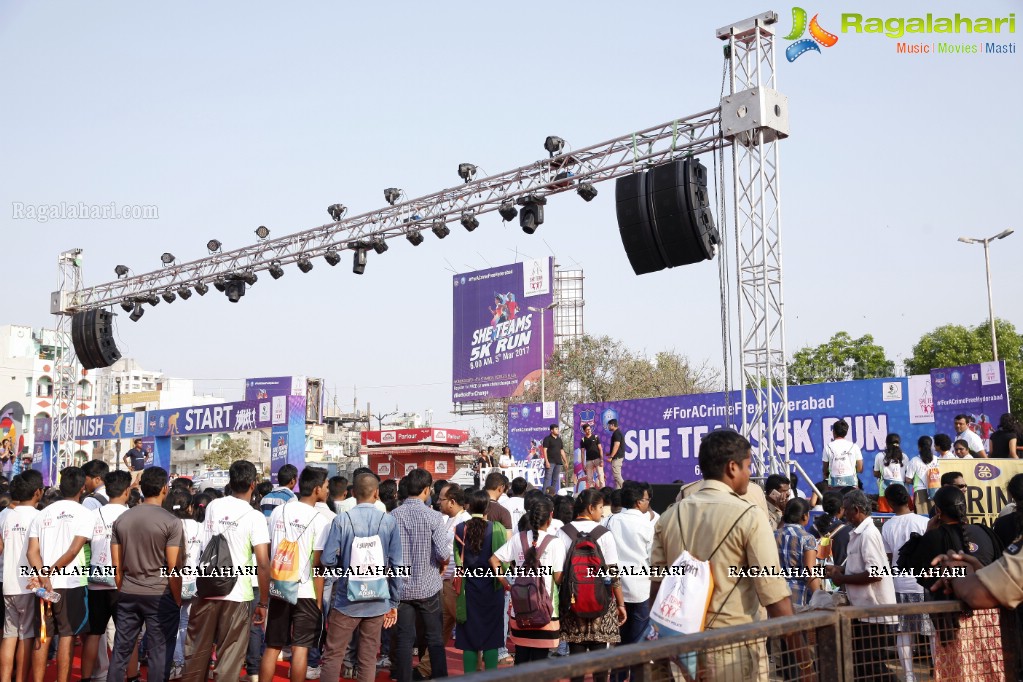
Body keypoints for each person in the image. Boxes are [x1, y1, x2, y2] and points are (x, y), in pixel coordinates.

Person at [650, 430, 800, 680]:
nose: (749, 474)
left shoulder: (668, 517)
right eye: (748, 466)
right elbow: (774, 595)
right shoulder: (750, 515)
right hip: (732, 649)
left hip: (680, 650)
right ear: (732, 467)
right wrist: (804, 662)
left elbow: (657, 590)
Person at [181, 460, 270, 682]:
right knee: (230, 655)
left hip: (208, 586)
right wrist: (263, 603)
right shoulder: (255, 517)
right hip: (238, 593)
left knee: (197, 651)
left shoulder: (214, 506)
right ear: (253, 484)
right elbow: (263, 563)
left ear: (230, 481)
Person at [905, 485, 1004, 679]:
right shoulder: (985, 531)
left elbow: (916, 571)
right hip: (990, 618)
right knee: (990, 670)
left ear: (938, 511)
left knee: (961, 672)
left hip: (954, 621)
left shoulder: (933, 537)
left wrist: (927, 534)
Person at [320, 473, 402, 682]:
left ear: (353, 493)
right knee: (368, 657)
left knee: (333, 654)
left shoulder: (341, 520)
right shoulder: (389, 522)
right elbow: (397, 566)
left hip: (347, 598)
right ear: (376, 493)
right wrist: (393, 601)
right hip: (377, 599)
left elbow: (328, 559)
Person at [108, 467, 183, 682]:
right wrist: (176, 598)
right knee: (160, 654)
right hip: (160, 594)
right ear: (164, 489)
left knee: (121, 652)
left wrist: (123, 588)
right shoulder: (171, 521)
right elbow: (173, 568)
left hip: (129, 591)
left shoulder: (122, 519)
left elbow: (116, 564)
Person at [260, 467, 331, 682]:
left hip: (280, 586)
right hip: (306, 591)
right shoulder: (321, 520)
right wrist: (319, 603)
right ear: (317, 489)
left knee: (272, 646)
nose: (327, 490)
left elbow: (271, 547)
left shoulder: (279, 512)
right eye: (326, 486)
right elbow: (318, 565)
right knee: (301, 648)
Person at [25, 467, 93, 682]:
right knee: (67, 635)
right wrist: (50, 572)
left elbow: (31, 552)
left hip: (43, 585)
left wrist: (44, 575)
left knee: (43, 635)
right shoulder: (85, 514)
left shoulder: (42, 513)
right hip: (70, 583)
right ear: (83, 488)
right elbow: (73, 551)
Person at [825, 489, 897, 682]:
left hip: (874, 610)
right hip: (863, 610)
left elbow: (876, 574)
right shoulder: (859, 533)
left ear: (856, 510)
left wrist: (843, 579)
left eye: (847, 510)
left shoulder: (868, 534)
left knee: (871, 666)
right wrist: (840, 570)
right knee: (863, 665)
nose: (845, 514)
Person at [556, 488, 626, 682]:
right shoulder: (604, 534)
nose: (602, 512)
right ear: (590, 508)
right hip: (601, 604)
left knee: (576, 658)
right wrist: (620, 604)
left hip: (573, 604)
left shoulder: (562, 532)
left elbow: (558, 575)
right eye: (600, 507)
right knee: (601, 662)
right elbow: (613, 573)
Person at [390, 469, 450, 682]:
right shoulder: (434, 517)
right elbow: (444, 553)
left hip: (402, 588)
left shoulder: (392, 517)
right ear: (427, 490)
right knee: (434, 638)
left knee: (405, 639)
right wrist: (443, 564)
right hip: (428, 586)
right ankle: (441, 677)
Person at [492, 494, 565, 663]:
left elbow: (494, 560)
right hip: (546, 611)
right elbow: (559, 578)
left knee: (522, 656)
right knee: (540, 661)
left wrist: (507, 584)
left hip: (520, 609)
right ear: (550, 518)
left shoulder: (518, 538)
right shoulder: (555, 543)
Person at [80, 469, 131, 682]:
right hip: (123, 583)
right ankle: (131, 676)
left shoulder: (93, 515)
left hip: (96, 583)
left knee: (93, 635)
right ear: (127, 491)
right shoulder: (131, 515)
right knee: (128, 636)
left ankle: (86, 678)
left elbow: (84, 545)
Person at [877, 483, 931, 682]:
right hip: (922, 583)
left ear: (889, 503)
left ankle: (909, 676)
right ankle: (938, 671)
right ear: (908, 498)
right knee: (931, 632)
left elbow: (888, 556)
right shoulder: (923, 521)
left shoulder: (888, 525)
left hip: (899, 584)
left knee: (904, 631)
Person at [452, 490, 508, 672]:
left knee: (469, 638)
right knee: (492, 636)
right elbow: (502, 562)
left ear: (468, 506)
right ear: (487, 507)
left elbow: (458, 561)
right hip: (493, 589)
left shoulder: (460, 529)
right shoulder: (497, 528)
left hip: (468, 591)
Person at [604, 482, 653, 682]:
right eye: (647, 499)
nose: (648, 503)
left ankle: (617, 678)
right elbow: (652, 558)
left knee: (619, 641)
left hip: (615, 589)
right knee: (639, 642)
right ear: (638, 502)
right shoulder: (647, 525)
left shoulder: (609, 521)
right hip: (641, 588)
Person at [0, 474, 45, 682]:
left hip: (8, 582)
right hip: (29, 584)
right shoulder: (38, 516)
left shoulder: (6, 515)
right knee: (26, 635)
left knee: (9, 635)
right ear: (37, 492)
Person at [775, 498, 819, 610]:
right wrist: (820, 596)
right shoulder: (807, 538)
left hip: (775, 593)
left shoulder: (772, 535)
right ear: (805, 516)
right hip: (797, 594)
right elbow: (810, 572)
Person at [873, 433, 909, 513]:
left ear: (886, 443)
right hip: (901, 493)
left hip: (884, 493)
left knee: (885, 518)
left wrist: (883, 475)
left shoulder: (879, 456)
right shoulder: (905, 457)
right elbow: (907, 475)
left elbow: (875, 473)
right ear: (898, 443)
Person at [822, 419, 862, 488]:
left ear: (833, 432)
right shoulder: (854, 446)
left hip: (834, 487)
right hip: (852, 486)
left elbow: (825, 469)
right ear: (846, 432)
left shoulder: (828, 447)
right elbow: (860, 468)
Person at [904, 435, 940, 511]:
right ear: (931, 446)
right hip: (936, 492)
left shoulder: (914, 460)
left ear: (919, 447)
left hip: (920, 493)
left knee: (922, 517)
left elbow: (908, 479)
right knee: (935, 515)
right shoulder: (937, 459)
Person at [541, 424, 566, 493]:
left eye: (558, 429)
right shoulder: (547, 439)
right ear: (551, 430)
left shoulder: (559, 439)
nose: (557, 430)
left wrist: (565, 461)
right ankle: (543, 495)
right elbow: (544, 450)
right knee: (547, 479)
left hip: (558, 462)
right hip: (550, 462)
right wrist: (547, 461)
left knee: (555, 480)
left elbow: (562, 451)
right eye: (556, 429)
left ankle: (552, 495)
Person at [580, 423, 605, 489]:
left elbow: (600, 449)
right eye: (587, 430)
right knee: (589, 478)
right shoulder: (583, 439)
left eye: (589, 429)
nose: (589, 430)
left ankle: (603, 490)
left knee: (600, 475)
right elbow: (582, 452)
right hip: (589, 461)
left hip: (597, 459)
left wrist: (602, 460)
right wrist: (583, 464)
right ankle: (592, 492)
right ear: (584, 431)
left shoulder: (596, 437)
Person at [607, 420, 625, 488]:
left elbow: (617, 445)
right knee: (616, 479)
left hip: (616, 458)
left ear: (612, 425)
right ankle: (618, 495)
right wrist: (610, 453)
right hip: (617, 457)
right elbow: (619, 447)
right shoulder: (618, 433)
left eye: (609, 425)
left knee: (617, 477)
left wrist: (611, 456)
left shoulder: (616, 433)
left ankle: (628, 491)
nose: (608, 427)